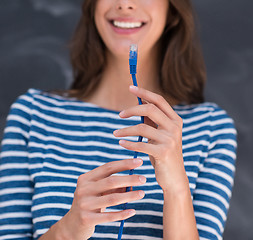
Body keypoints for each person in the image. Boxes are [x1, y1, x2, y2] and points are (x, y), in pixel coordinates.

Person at [0, 0, 237, 239]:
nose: (124, 4)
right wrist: (67, 231)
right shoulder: (33, 114)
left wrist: (176, 191)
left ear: (172, 10)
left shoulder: (210, 128)